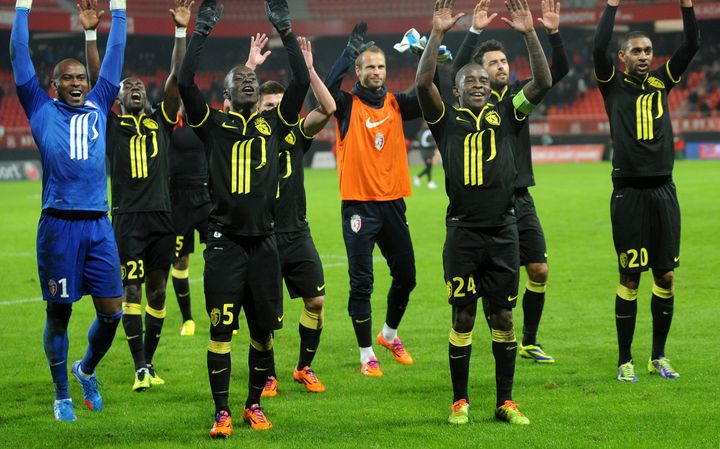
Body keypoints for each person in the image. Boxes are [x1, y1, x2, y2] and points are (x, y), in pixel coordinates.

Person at [178, 0, 310, 435]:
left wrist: (286, 31)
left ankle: (253, 403)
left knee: (263, 335)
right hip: (224, 244)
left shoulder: (275, 125)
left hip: (265, 243)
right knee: (220, 333)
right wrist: (201, 30)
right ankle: (221, 411)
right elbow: (183, 80)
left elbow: (302, 80)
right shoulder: (212, 126)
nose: (250, 82)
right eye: (241, 80)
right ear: (228, 95)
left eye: (253, 78)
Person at [416, 0, 551, 425]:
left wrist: (530, 33)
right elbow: (423, 84)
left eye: (482, 80)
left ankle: (505, 401)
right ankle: (460, 400)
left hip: (503, 231)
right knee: (463, 314)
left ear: (491, 87)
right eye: (469, 80)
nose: (478, 84)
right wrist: (437, 33)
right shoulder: (446, 120)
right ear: (457, 89)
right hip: (462, 234)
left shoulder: (509, 113)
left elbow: (543, 82)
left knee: (504, 316)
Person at [11, 0, 127, 422]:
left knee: (113, 313)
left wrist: (119, 9)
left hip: (99, 226)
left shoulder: (100, 101)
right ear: (54, 83)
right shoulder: (41, 110)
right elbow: (17, 54)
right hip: (59, 227)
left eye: (81, 77)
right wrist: (22, 5)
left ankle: (86, 370)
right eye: (69, 78)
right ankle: (61, 393)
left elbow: (115, 55)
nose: (77, 83)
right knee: (58, 314)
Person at [82, 0, 191, 391]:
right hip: (128, 217)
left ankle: (150, 362)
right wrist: (92, 33)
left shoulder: (162, 118)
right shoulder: (111, 124)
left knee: (158, 290)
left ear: (147, 97)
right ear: (119, 97)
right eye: (126, 87)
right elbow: (99, 78)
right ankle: (140, 367)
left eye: (139, 87)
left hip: (163, 216)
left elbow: (177, 78)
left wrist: (181, 31)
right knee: (131, 288)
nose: (132, 88)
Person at [452, 0, 569, 363]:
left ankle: (528, 340)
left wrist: (550, 32)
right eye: (493, 64)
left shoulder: (518, 97)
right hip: (488, 206)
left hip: (521, 197)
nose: (501, 67)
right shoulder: (475, 102)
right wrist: (472, 34)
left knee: (539, 269)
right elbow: (455, 73)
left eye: (503, 62)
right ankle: (500, 334)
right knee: (498, 284)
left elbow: (555, 72)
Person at [592, 0, 699, 382]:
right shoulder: (611, 83)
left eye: (648, 51)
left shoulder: (662, 80)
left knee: (666, 276)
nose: (643, 56)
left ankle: (658, 356)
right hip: (628, 192)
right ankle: (625, 360)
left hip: (664, 191)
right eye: (636, 51)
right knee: (630, 277)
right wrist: (612, 6)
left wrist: (686, 5)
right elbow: (597, 46)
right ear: (623, 57)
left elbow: (691, 43)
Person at [241, 36, 335, 397]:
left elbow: (327, 109)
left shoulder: (296, 134)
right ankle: (266, 374)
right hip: (262, 236)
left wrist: (309, 71)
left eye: (281, 105)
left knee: (316, 302)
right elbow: (234, 100)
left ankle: (303, 367)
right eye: (268, 105)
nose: (275, 111)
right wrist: (249, 68)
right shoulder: (245, 135)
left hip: (297, 231)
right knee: (263, 319)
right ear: (256, 107)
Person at [324, 21, 420, 377]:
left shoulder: (396, 104)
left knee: (407, 277)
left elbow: (428, 91)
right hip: (359, 207)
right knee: (362, 281)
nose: (376, 72)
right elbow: (323, 90)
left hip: (394, 203)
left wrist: (426, 52)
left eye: (381, 66)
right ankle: (366, 355)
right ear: (359, 72)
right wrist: (349, 50)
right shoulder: (347, 106)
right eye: (369, 66)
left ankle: (388, 335)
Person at [168, 102, 211, 337]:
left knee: (218, 256)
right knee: (180, 261)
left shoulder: (205, 122)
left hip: (205, 198)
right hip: (178, 203)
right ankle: (188, 320)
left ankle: (223, 314)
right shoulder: (170, 122)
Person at [412, 122, 438, 189]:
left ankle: (428, 181)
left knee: (429, 167)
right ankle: (419, 178)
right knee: (429, 167)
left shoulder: (423, 132)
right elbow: (424, 143)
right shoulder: (426, 132)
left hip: (427, 152)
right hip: (426, 153)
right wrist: (434, 144)